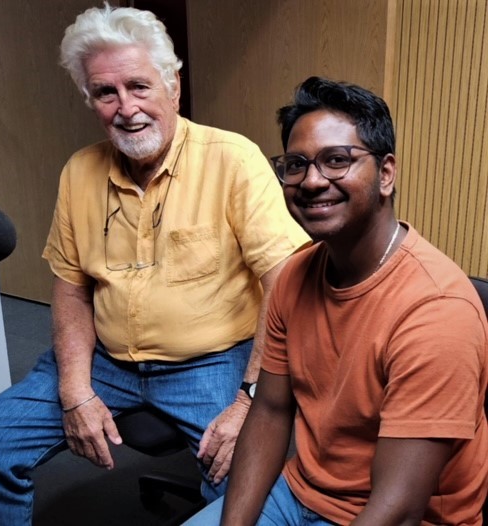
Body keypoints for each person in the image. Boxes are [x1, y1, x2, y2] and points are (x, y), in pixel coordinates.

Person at [0, 4, 310, 525]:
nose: (126, 108)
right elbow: (71, 288)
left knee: (252, 489)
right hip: (106, 361)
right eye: (106, 93)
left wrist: (249, 401)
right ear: (90, 100)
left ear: (173, 87)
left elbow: (285, 283)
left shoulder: (233, 160)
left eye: (139, 86)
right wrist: (75, 390)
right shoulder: (79, 172)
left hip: (210, 362)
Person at [184, 76, 488, 525]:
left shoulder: (437, 311)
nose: (311, 181)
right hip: (301, 493)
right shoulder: (293, 276)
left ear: (386, 174)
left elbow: (399, 509)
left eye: (336, 160)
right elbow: (269, 412)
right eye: (296, 164)